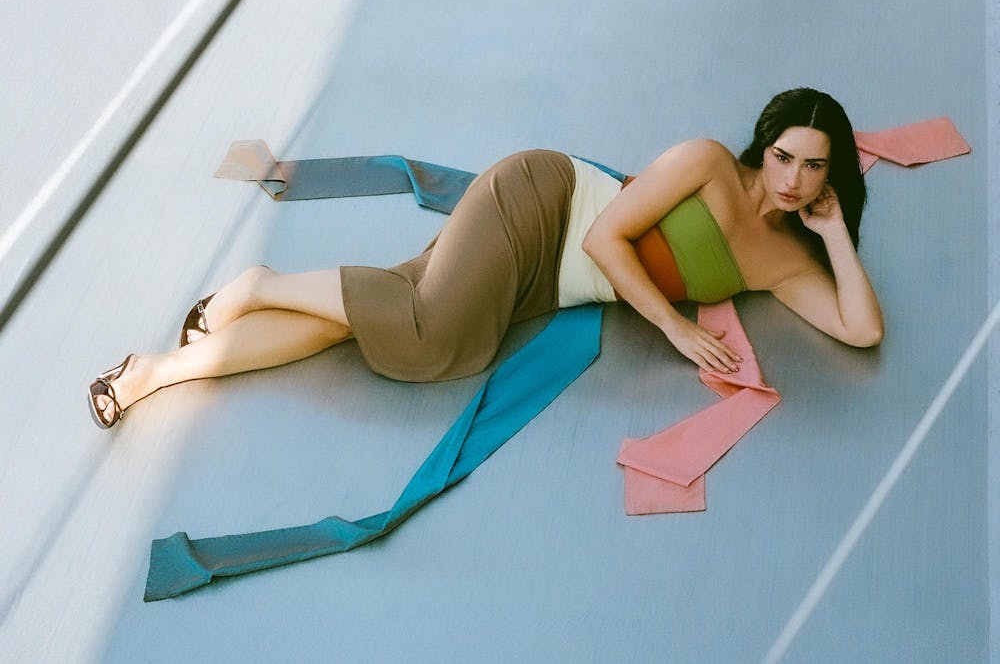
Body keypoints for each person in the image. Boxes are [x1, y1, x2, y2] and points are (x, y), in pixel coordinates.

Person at [89, 87, 883, 429]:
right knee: (436, 341)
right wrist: (675, 331)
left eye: (815, 167)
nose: (792, 179)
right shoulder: (709, 162)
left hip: (548, 281)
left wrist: (833, 231)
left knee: (356, 328)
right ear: (763, 143)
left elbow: (860, 329)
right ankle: (262, 281)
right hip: (545, 206)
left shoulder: (783, 255)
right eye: (784, 157)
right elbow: (606, 239)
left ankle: (155, 372)